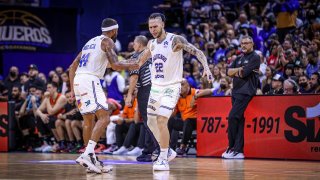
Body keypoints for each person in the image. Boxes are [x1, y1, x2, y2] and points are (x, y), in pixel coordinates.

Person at [134, 13, 213, 171]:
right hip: (156, 86)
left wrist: (206, 67)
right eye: (150, 27)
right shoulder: (151, 44)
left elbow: (196, 51)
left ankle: (163, 157)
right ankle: (168, 150)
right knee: (150, 121)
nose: (153, 30)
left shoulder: (175, 40)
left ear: (163, 24)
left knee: (162, 120)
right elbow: (138, 61)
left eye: (155, 26)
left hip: (172, 86)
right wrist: (115, 64)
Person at [69, 18, 138, 174]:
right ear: (114, 31)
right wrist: (135, 64)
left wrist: (73, 91)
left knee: (88, 120)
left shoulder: (90, 43)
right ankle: (87, 154)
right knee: (105, 117)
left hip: (79, 81)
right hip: (90, 80)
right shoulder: (108, 41)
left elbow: (72, 66)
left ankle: (91, 159)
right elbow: (115, 65)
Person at [223, 35, 260, 159]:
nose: (243, 45)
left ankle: (232, 146)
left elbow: (244, 73)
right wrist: (238, 70)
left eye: (246, 43)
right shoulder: (239, 58)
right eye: (242, 43)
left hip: (246, 91)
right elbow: (228, 72)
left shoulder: (255, 57)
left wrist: (237, 71)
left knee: (233, 117)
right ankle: (238, 151)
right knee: (238, 120)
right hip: (236, 91)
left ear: (252, 44)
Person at [125, 35, 158, 162]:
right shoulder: (152, 54)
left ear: (139, 44)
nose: (133, 45)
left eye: (134, 43)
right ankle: (154, 150)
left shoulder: (136, 56)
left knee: (149, 122)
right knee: (153, 121)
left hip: (146, 90)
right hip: (156, 89)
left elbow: (134, 77)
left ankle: (154, 150)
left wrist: (129, 94)